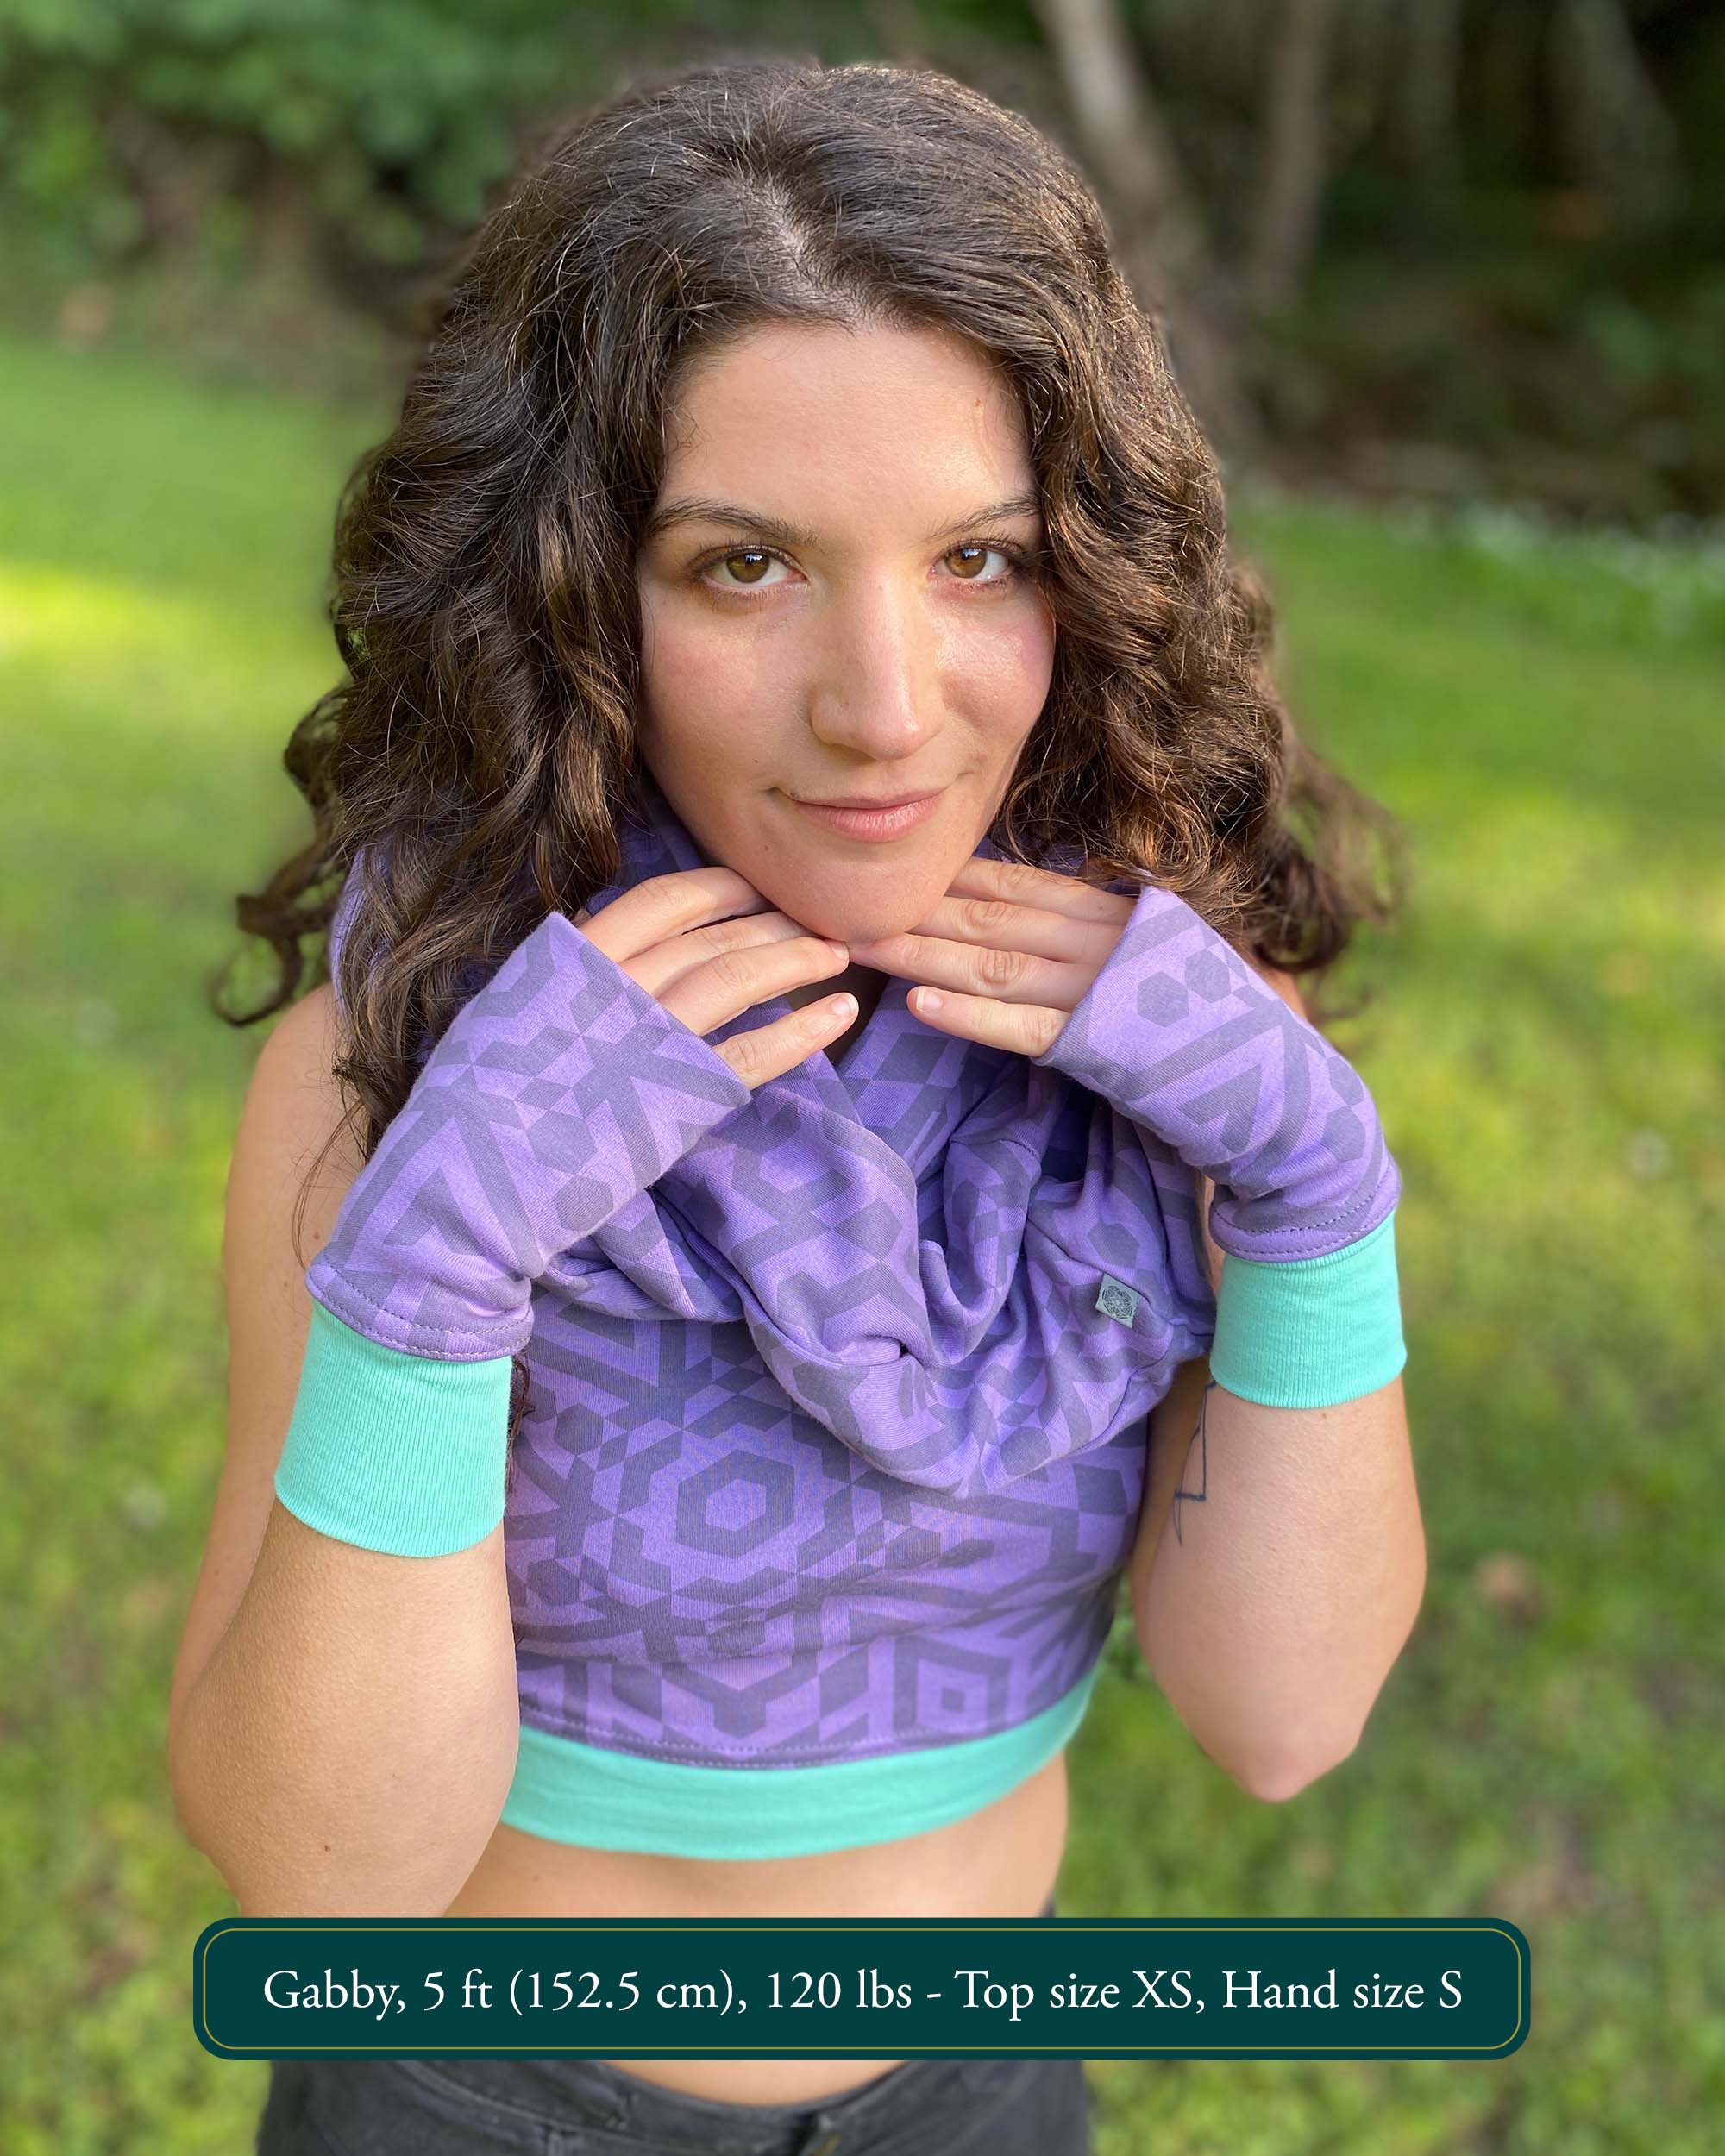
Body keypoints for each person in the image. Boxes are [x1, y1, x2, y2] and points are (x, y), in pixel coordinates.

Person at [167, 53, 1426, 2156]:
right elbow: (315, 1878)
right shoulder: (407, 1060)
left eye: (979, 559)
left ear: (1092, 570)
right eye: (745, 566)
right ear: (570, 588)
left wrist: (1314, 1193)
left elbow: (1281, 1719)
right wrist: (439, 1262)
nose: (881, 706)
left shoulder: (1186, 1027)